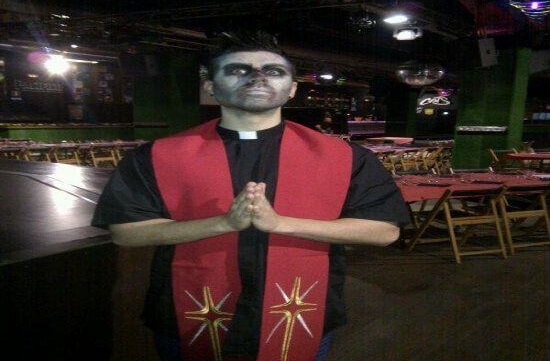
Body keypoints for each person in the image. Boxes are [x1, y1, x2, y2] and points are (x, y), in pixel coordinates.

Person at [92, 31, 410, 361]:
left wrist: (281, 224)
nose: (258, 76)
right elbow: (126, 233)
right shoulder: (157, 156)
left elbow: (384, 231)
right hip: (190, 309)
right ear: (211, 87)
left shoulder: (345, 157)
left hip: (300, 309)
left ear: (292, 88)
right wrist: (223, 223)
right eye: (237, 70)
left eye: (273, 70)